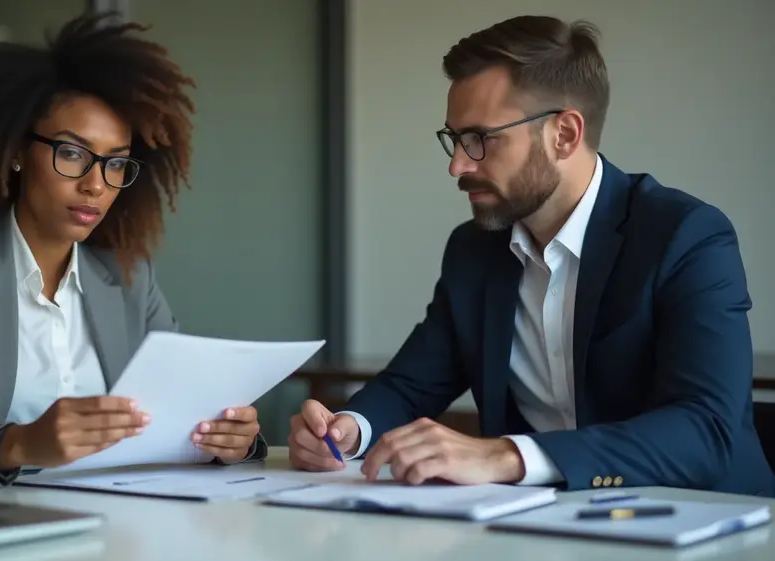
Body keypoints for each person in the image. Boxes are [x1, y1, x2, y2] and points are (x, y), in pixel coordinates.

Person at [288, 15, 775, 496]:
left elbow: (706, 430)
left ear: (564, 134)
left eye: (480, 139)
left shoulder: (685, 236)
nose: (458, 164)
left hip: (708, 522)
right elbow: (412, 385)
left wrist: (506, 455)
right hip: (544, 528)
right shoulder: (473, 251)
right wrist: (347, 430)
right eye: (455, 140)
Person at [0, 13, 266, 487]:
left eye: (115, 163)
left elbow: (183, 416)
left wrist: (229, 439)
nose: (95, 184)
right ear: (17, 152)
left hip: (121, 527)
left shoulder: (128, 277)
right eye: (73, 153)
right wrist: (14, 444)